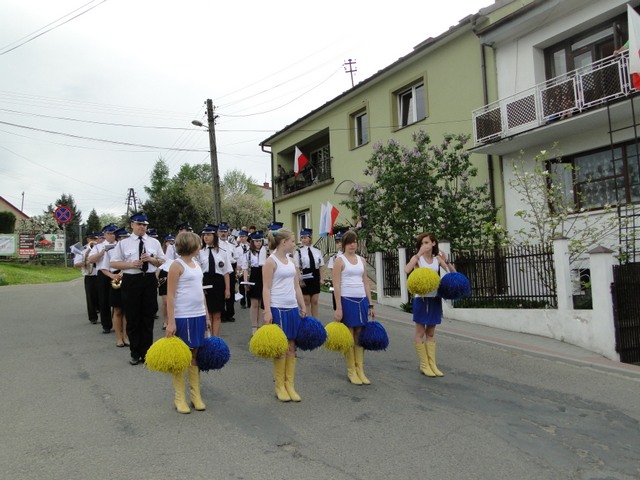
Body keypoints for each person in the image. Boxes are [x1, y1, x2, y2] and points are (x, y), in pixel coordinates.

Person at [110, 213, 165, 366]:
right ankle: (135, 352)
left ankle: (147, 353)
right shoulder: (124, 243)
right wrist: (130, 264)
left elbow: (162, 261)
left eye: (144, 225)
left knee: (148, 317)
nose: (142, 227)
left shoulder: (154, 242)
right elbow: (113, 263)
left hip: (148, 279)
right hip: (131, 280)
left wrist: (152, 259)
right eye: (139, 224)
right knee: (133, 318)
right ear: (132, 225)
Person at [165, 232, 210, 414]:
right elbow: (170, 295)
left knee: (195, 354)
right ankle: (179, 398)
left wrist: (206, 315)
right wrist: (171, 322)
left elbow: (200, 291)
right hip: (183, 316)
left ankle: (195, 395)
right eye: (198, 244)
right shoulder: (176, 265)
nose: (201, 246)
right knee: (182, 356)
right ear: (191, 245)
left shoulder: (196, 264)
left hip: (198, 314)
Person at [262, 228, 307, 402]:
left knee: (292, 346)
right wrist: (267, 311)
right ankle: (279, 386)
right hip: (277, 307)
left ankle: (290, 385)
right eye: (293, 241)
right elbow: (266, 288)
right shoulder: (270, 262)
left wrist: (302, 305)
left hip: (292, 307)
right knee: (281, 347)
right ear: (283, 242)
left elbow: (296, 286)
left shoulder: (291, 261)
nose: (294, 244)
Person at [404, 232, 455, 378]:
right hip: (421, 299)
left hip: (434, 298)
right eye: (422, 243)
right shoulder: (418, 259)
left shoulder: (437, 259)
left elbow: (453, 273)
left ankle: (432, 364)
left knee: (431, 333)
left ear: (433, 243)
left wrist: (447, 261)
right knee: (420, 333)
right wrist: (418, 254)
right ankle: (424, 364)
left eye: (426, 242)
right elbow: (407, 270)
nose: (424, 245)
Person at [332, 230, 374, 385]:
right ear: (344, 244)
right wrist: (339, 307)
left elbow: (366, 282)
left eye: (355, 242)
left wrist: (370, 303)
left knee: (359, 335)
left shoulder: (362, 260)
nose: (352, 245)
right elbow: (336, 285)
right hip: (347, 299)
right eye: (349, 242)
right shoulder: (339, 260)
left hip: (361, 300)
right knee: (349, 335)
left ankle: (360, 369)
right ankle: (351, 370)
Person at [199, 224, 231, 337]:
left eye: (209, 235)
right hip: (205, 282)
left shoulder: (222, 252)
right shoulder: (199, 252)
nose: (206, 237)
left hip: (218, 283)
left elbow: (226, 272)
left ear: (214, 236)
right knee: (207, 313)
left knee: (217, 314)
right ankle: (207, 337)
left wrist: (227, 289)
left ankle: (215, 339)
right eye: (204, 235)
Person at [88, 224, 118, 334]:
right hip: (103, 273)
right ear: (104, 234)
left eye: (113, 233)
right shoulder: (98, 246)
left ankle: (117, 323)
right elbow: (90, 259)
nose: (112, 235)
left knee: (117, 300)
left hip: (116, 272)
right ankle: (106, 325)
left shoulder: (120, 245)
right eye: (109, 233)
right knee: (104, 300)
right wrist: (102, 252)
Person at [241, 231, 267, 335]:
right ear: (252, 242)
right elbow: (245, 268)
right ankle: (254, 327)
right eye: (256, 241)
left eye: (260, 241)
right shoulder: (248, 253)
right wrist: (246, 282)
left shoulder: (265, 252)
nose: (258, 243)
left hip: (263, 276)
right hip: (253, 277)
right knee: (254, 303)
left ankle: (260, 326)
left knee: (261, 303)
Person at [294, 228, 324, 318]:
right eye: (302, 238)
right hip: (304, 276)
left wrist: (321, 278)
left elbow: (320, 265)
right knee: (306, 300)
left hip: (315, 275)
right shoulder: (298, 251)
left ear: (310, 238)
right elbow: (296, 267)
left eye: (305, 238)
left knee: (315, 301)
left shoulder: (317, 250)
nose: (303, 240)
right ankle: (308, 320)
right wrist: (300, 280)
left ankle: (315, 321)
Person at [73, 232, 100, 324]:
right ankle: (93, 317)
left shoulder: (101, 248)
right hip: (90, 275)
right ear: (88, 240)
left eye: (96, 239)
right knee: (90, 297)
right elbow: (76, 263)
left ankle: (102, 313)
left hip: (101, 274)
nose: (94, 240)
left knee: (102, 296)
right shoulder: (82, 250)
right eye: (92, 239)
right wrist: (84, 262)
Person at [110, 228, 130, 348]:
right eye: (123, 237)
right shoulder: (111, 250)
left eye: (126, 237)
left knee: (126, 310)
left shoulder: (130, 248)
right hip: (116, 277)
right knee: (117, 310)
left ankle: (125, 336)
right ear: (118, 239)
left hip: (128, 276)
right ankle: (118, 337)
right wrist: (112, 276)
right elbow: (103, 267)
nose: (125, 239)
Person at [217, 222, 237, 323]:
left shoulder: (231, 245)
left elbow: (235, 258)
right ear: (218, 232)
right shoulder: (216, 245)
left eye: (225, 231)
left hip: (231, 269)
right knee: (221, 291)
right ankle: (222, 314)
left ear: (228, 232)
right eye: (221, 231)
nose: (223, 233)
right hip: (220, 269)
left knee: (231, 291)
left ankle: (230, 313)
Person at [158, 234, 176, 330]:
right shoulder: (160, 252)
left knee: (173, 300)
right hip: (163, 274)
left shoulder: (175, 249)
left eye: (172, 241)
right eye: (168, 241)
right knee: (165, 301)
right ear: (165, 243)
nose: (170, 243)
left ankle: (173, 320)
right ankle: (165, 320)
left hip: (173, 272)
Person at [326, 231, 344, 311]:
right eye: (337, 242)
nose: (339, 244)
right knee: (337, 307)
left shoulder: (350, 256)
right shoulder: (334, 258)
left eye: (341, 242)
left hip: (347, 284)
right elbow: (332, 272)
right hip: (338, 284)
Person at [234, 230, 250, 309]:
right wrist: (237, 267)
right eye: (240, 237)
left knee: (249, 285)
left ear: (246, 237)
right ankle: (243, 302)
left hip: (248, 269)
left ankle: (249, 302)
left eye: (243, 236)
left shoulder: (250, 247)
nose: (242, 238)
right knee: (241, 286)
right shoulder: (237, 248)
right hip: (240, 269)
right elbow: (236, 259)